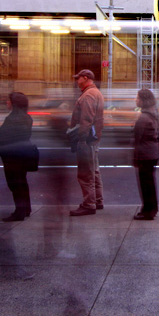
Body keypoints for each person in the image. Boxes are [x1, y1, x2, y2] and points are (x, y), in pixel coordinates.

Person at [69, 69, 104, 216]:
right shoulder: (95, 92)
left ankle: (89, 204)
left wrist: (81, 139)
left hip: (86, 139)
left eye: (78, 79)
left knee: (85, 173)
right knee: (94, 170)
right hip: (93, 139)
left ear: (85, 78)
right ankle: (98, 200)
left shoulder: (89, 94)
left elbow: (87, 119)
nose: (77, 81)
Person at [0, 92, 33, 222]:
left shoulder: (12, 119)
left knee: (15, 183)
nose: (7, 102)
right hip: (22, 152)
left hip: (12, 155)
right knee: (22, 182)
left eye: (9, 100)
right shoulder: (26, 117)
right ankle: (26, 208)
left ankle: (19, 212)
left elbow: (5, 135)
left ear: (14, 103)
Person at [133, 89, 159, 220]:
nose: (135, 100)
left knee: (146, 184)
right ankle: (151, 208)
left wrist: (135, 156)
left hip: (145, 153)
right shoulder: (153, 113)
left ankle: (148, 211)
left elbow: (137, 137)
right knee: (150, 182)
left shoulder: (144, 117)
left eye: (137, 97)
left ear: (143, 100)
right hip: (152, 152)